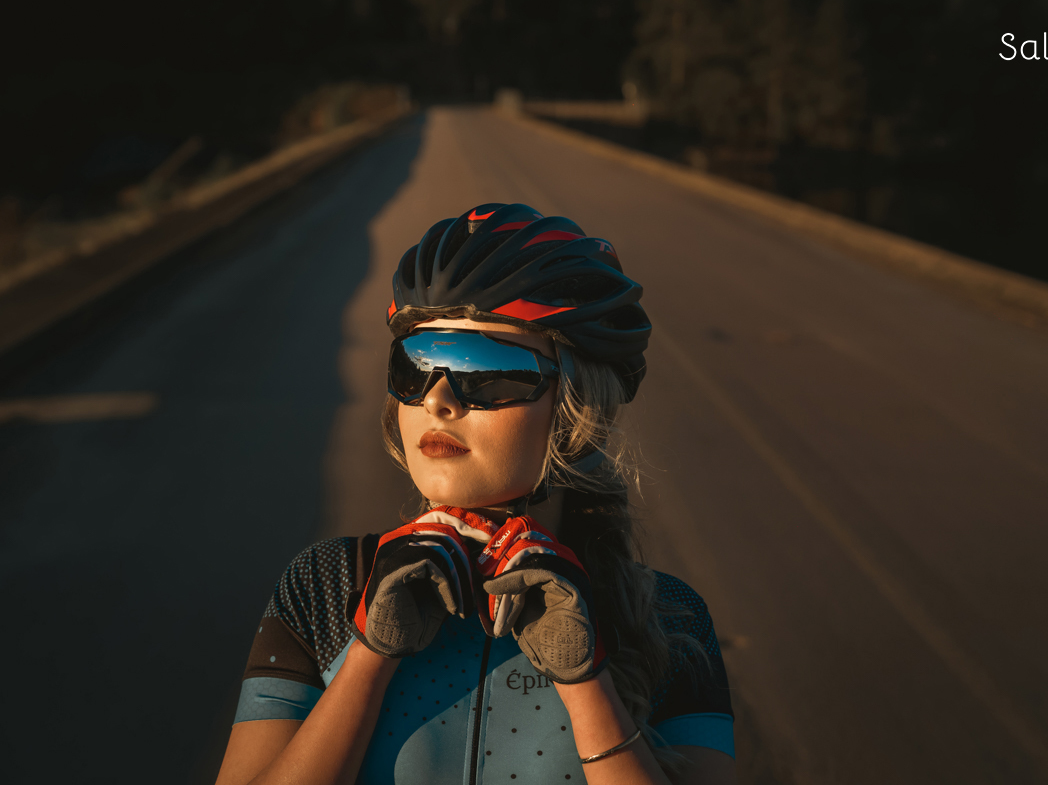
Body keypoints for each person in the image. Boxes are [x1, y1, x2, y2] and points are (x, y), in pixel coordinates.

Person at [214, 204, 735, 785]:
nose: (436, 400)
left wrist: (586, 682)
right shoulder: (324, 585)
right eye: (417, 364)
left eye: (486, 369)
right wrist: (369, 655)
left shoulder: (669, 619)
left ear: (576, 413)